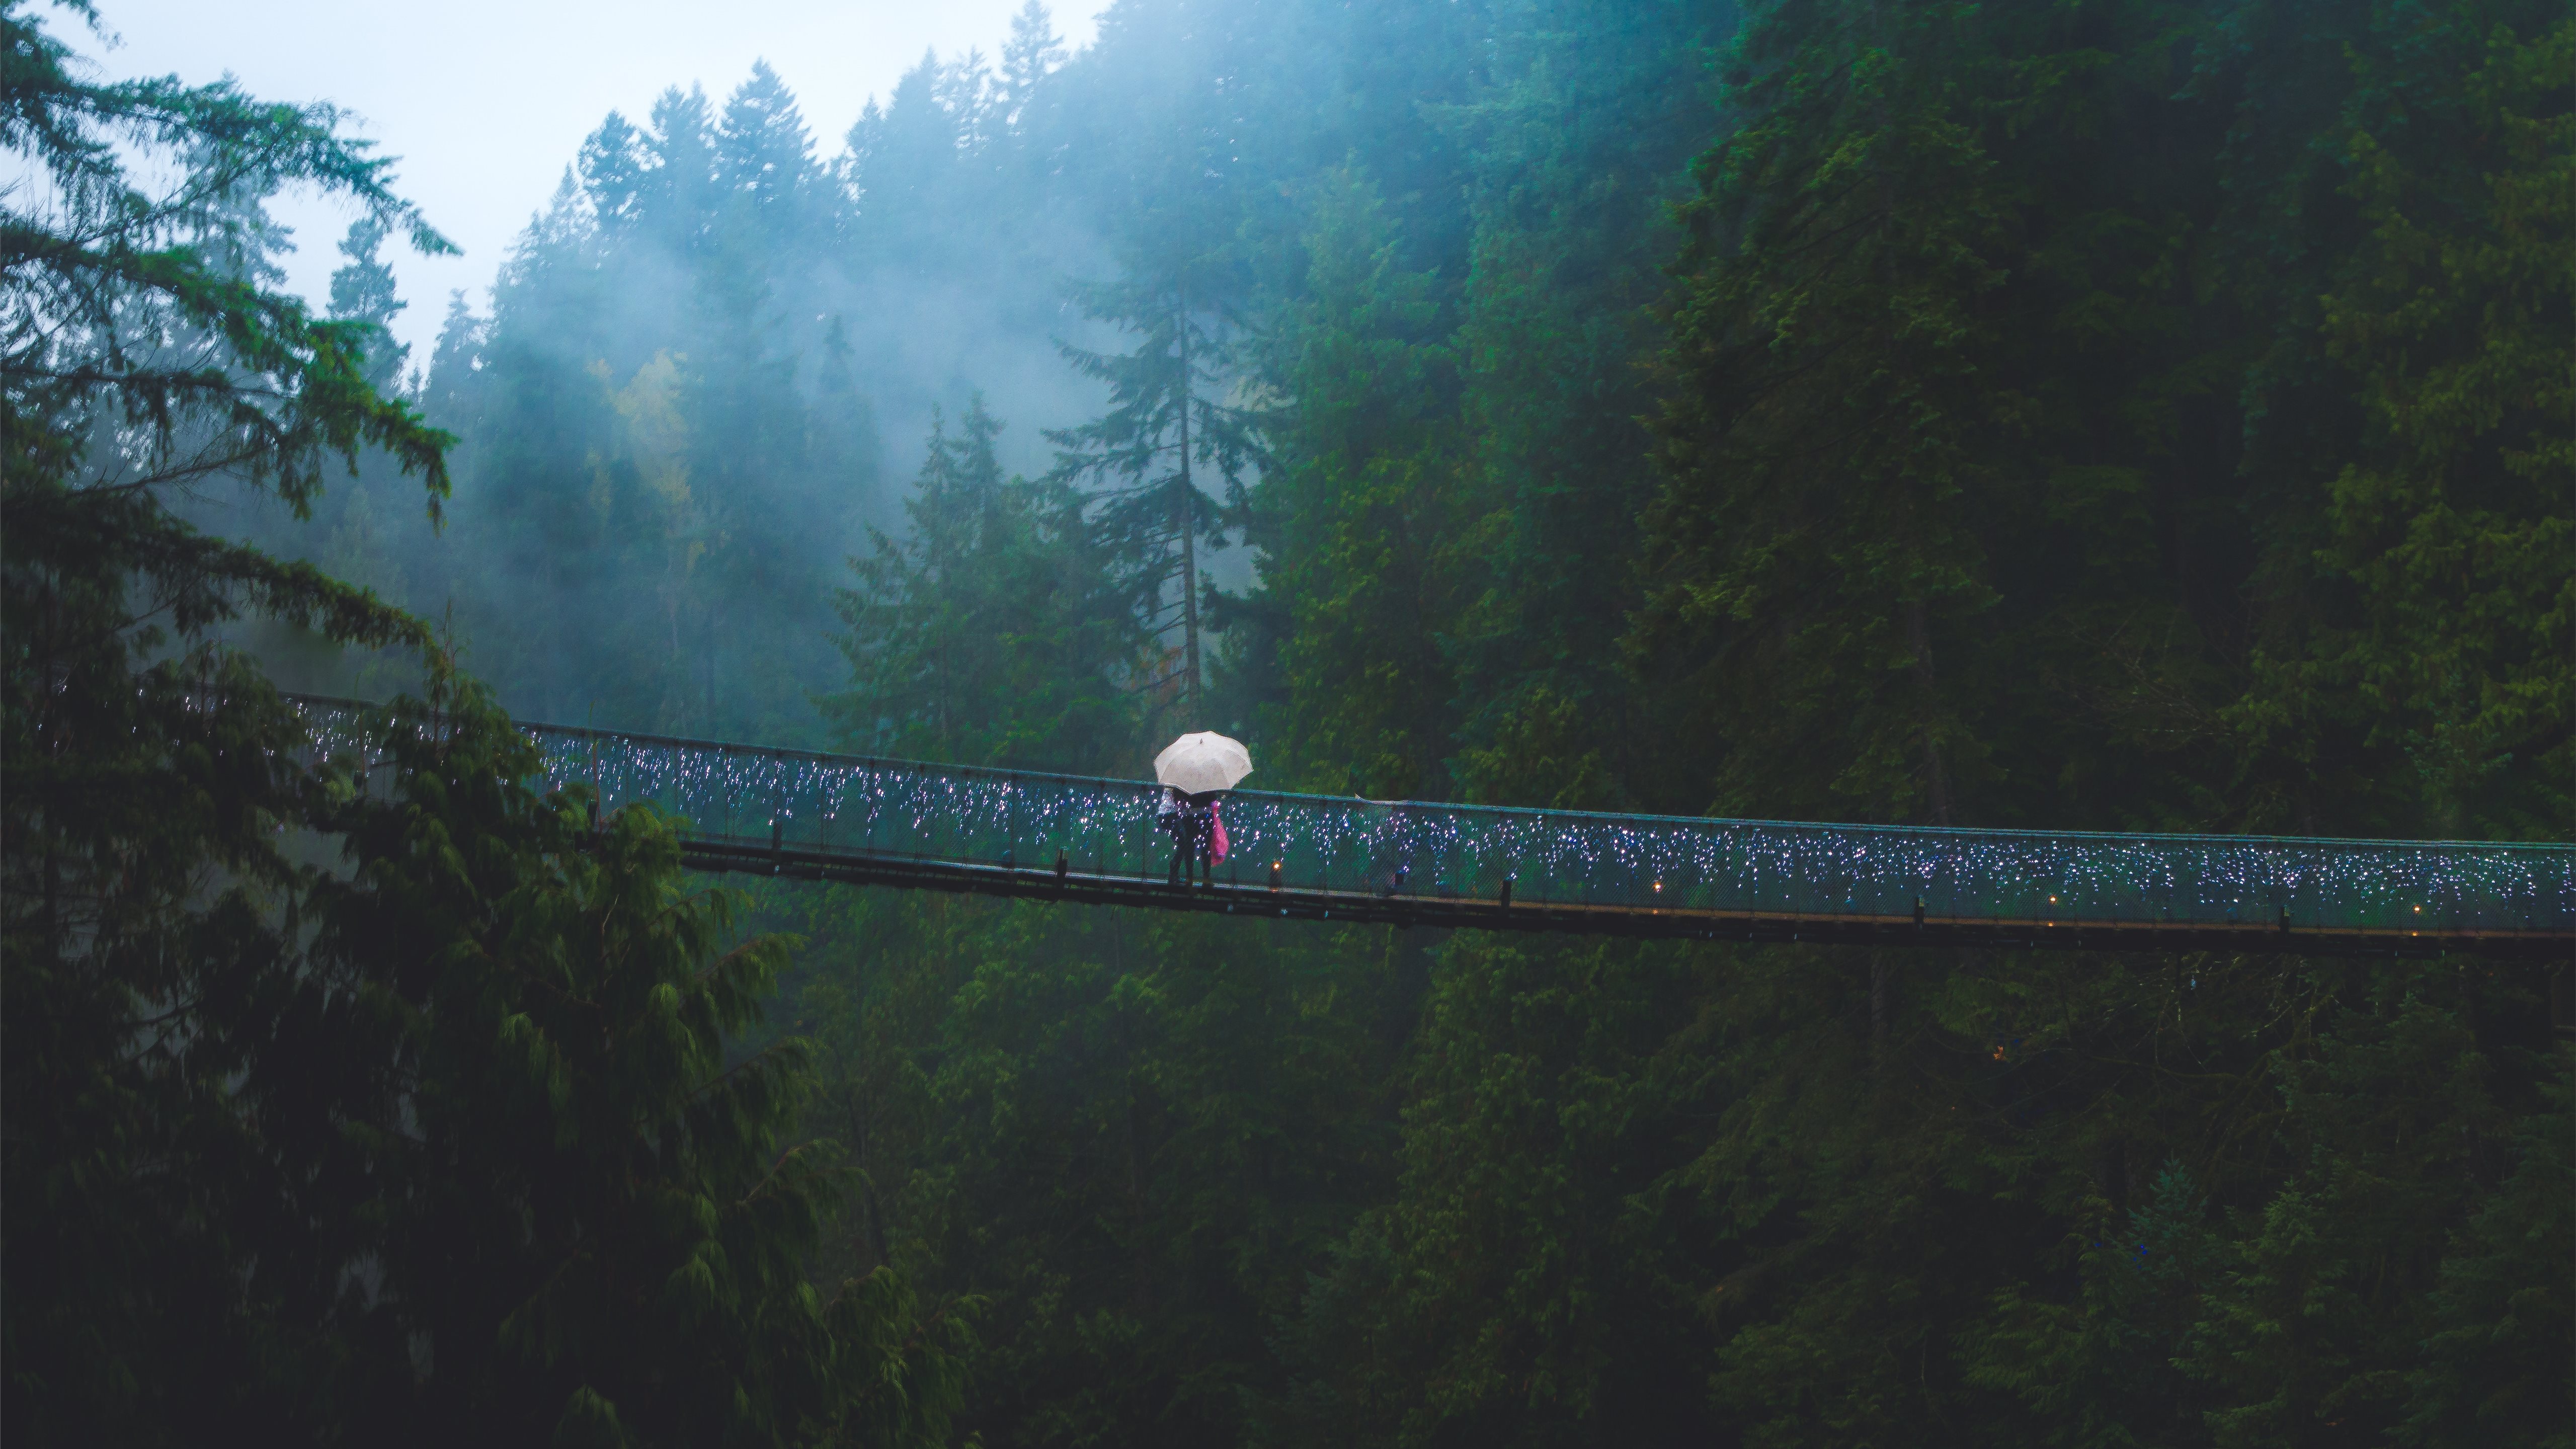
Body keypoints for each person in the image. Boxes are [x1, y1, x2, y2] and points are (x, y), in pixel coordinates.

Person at [1160, 786, 1219, 885]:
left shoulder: (1187, 781)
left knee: (1190, 846)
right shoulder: (1208, 780)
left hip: (1190, 815)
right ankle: (1206, 878)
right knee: (1206, 847)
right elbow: (1213, 798)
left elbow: (1181, 796)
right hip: (1206, 814)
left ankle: (1189, 878)